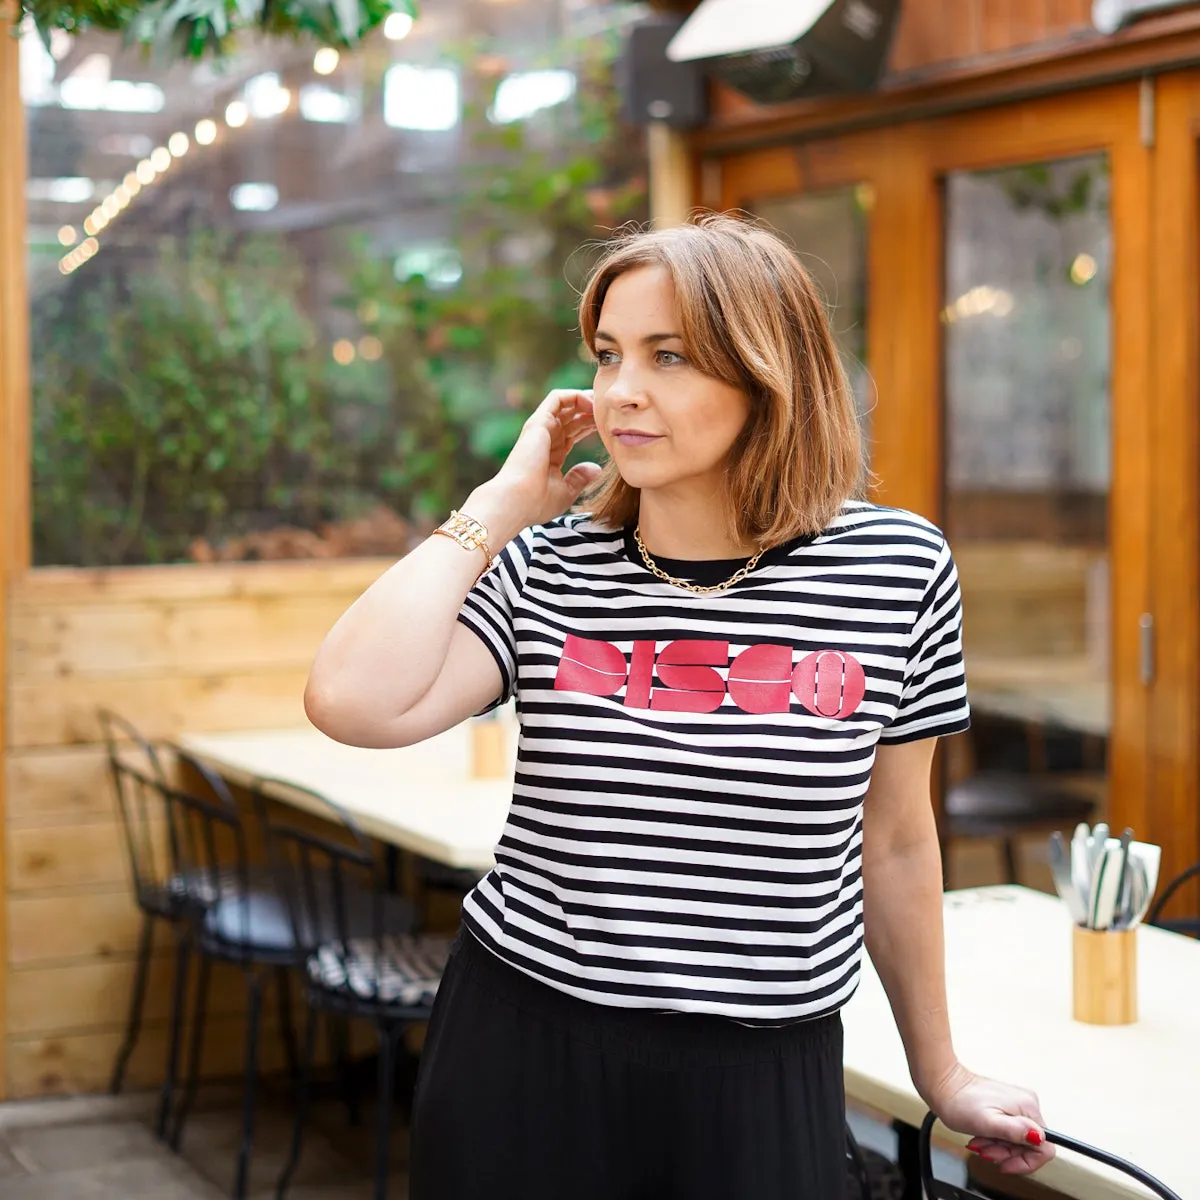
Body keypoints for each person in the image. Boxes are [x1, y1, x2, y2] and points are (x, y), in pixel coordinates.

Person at [304, 214, 1054, 1199]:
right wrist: (497, 505)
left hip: (759, 1071)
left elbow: (897, 839)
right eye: (609, 356)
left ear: (768, 373)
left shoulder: (896, 569)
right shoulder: (555, 564)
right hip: (526, 1044)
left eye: (670, 356)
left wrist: (941, 1071)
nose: (621, 393)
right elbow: (351, 701)